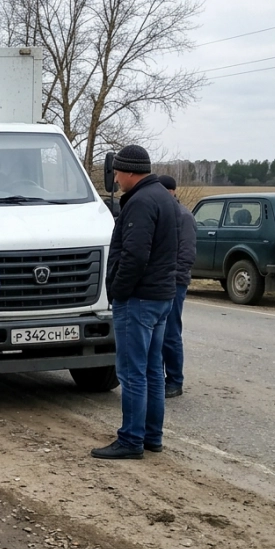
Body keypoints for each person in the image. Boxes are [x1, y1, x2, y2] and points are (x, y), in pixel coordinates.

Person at [92, 145, 179, 460]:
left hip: (139, 299)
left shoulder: (140, 202)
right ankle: (151, 436)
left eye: (117, 172)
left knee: (131, 372)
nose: (115, 178)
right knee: (153, 370)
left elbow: (136, 255)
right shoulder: (162, 198)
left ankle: (130, 439)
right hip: (161, 297)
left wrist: (118, 290)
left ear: (129, 171)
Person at [157, 175, 196, 398]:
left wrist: (173, 278)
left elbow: (187, 254)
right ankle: (159, 378)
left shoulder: (184, 217)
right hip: (160, 282)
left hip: (175, 282)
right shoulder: (164, 214)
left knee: (170, 333)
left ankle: (174, 381)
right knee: (159, 334)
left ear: (171, 191)